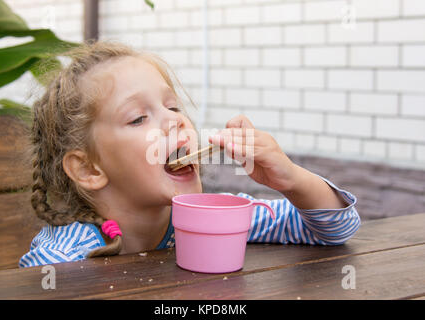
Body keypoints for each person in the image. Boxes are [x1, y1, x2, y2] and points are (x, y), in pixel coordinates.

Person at [19, 41, 360, 268]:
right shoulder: (61, 258)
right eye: (139, 117)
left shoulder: (216, 219)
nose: (175, 120)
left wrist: (292, 179)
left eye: (173, 105)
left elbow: (334, 230)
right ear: (88, 168)